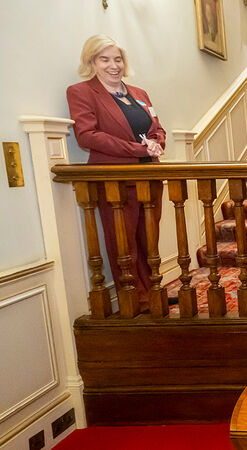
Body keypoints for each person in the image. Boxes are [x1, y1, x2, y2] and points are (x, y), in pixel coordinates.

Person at [66, 35, 166, 311]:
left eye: (118, 59)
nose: (113, 65)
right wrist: (137, 150)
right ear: (92, 62)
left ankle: (153, 290)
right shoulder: (81, 92)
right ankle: (134, 297)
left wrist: (156, 142)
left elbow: (157, 127)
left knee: (149, 238)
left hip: (149, 177)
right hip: (114, 182)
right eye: (105, 59)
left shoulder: (139, 93)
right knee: (123, 243)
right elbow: (87, 136)